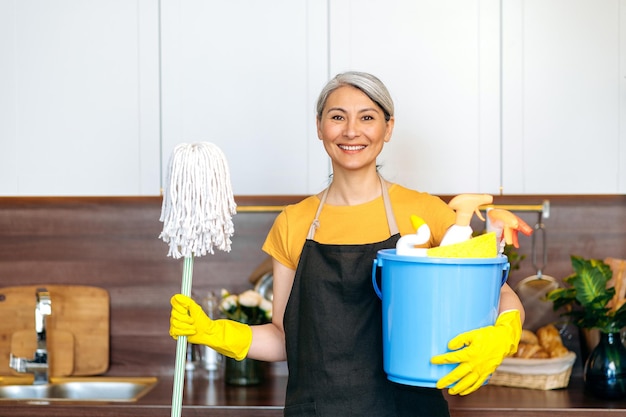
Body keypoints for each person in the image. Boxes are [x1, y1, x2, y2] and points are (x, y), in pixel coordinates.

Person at [170, 71, 525, 416]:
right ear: (319, 127)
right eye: (337, 117)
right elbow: (284, 338)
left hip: (408, 410)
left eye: (367, 117)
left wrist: (503, 332)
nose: (351, 131)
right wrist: (214, 332)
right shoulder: (294, 222)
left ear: (388, 128)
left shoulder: (427, 214)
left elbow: (502, 293)